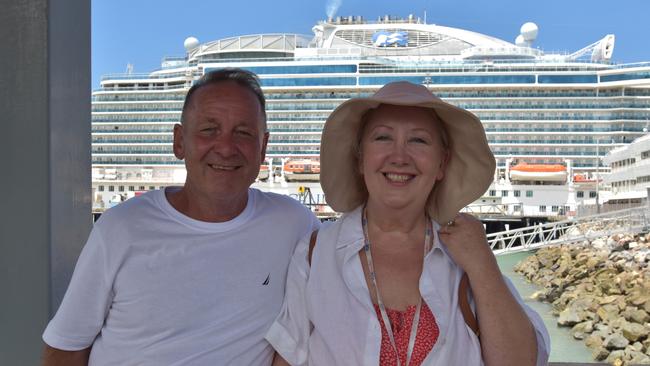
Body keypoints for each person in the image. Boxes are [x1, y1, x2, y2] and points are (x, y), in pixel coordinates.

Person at [42, 68, 320, 365]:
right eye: (209, 130)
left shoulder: (294, 224)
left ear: (263, 147)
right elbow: (65, 349)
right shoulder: (121, 229)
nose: (226, 147)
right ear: (179, 142)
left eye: (244, 133)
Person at [266, 81, 550, 365]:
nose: (399, 157)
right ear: (360, 159)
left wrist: (483, 266)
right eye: (382, 138)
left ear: (441, 164)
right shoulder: (316, 252)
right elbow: (288, 357)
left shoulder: (466, 255)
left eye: (419, 140)